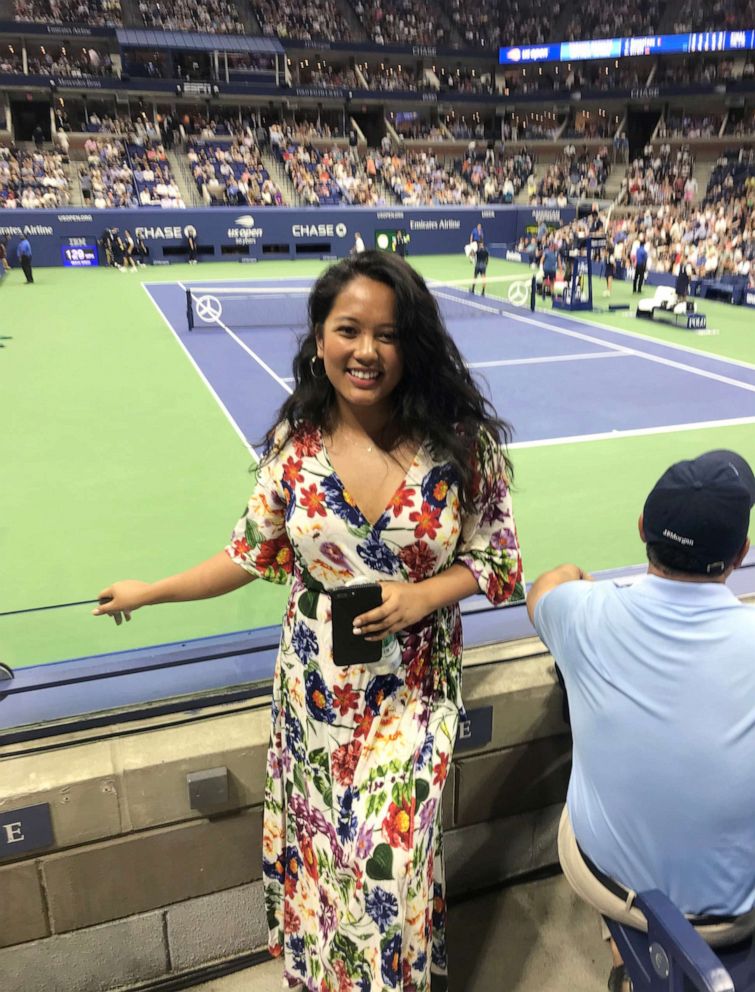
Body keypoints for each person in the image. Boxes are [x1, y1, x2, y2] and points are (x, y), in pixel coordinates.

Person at [93, 251, 524, 992]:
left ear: (410, 343)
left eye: (387, 335)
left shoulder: (461, 446)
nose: (366, 351)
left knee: (386, 863)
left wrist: (425, 595)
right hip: (313, 690)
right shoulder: (296, 446)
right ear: (320, 338)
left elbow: (499, 563)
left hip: (411, 690)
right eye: (348, 330)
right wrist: (151, 590)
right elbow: (248, 555)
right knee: (323, 858)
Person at [527, 450, 755, 992]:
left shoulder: (583, 613)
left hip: (617, 888)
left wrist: (577, 578)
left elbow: (544, 588)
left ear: (641, 528)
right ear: (740, 555)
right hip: (738, 916)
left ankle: (631, 959)